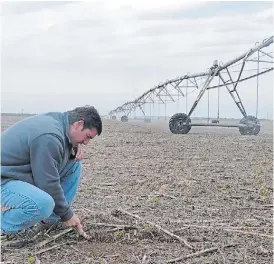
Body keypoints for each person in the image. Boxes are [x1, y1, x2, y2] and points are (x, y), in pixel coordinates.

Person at [1, 105, 102, 248]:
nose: (86, 143)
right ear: (78, 124)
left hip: (17, 173)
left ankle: (51, 221)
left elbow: (53, 162)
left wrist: (73, 146)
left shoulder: (59, 123)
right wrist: (67, 214)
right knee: (42, 203)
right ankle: (5, 228)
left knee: (74, 165)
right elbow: (47, 182)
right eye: (87, 137)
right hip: (4, 178)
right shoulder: (49, 136)